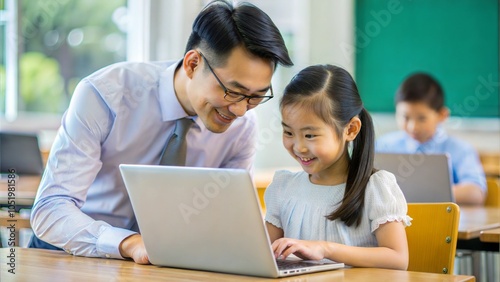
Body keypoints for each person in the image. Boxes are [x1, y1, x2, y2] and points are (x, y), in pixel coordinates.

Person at [29, 0, 293, 264]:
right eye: (233, 92)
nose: (240, 110)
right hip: (68, 253)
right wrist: (128, 243)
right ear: (192, 64)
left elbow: (234, 218)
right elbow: (50, 210)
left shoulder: (242, 128)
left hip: (159, 264)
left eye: (256, 97)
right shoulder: (106, 95)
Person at [264, 64, 411, 270]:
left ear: (350, 129)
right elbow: (263, 256)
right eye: (288, 133)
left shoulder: (374, 188)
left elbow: (398, 259)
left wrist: (325, 249)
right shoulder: (283, 188)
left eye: (310, 135)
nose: (298, 147)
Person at [375, 72, 486, 205]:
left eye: (422, 118)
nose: (413, 127)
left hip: (442, 221)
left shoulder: (460, 149)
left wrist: (424, 193)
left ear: (442, 115)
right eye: (405, 117)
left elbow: (475, 193)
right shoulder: (383, 146)